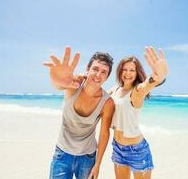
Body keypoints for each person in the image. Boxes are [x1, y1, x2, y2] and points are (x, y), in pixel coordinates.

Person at [43, 46, 115, 179]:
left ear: (107, 77)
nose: (98, 74)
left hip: (87, 158)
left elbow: (104, 133)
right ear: (88, 69)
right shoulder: (74, 85)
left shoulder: (107, 102)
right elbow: (61, 85)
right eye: (95, 69)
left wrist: (98, 164)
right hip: (62, 154)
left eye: (104, 72)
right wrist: (56, 80)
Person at [108, 46, 168, 179]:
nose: (128, 73)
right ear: (120, 71)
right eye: (124, 69)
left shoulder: (136, 92)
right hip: (118, 147)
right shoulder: (114, 90)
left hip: (137, 150)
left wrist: (158, 77)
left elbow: (147, 84)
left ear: (136, 73)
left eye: (132, 70)